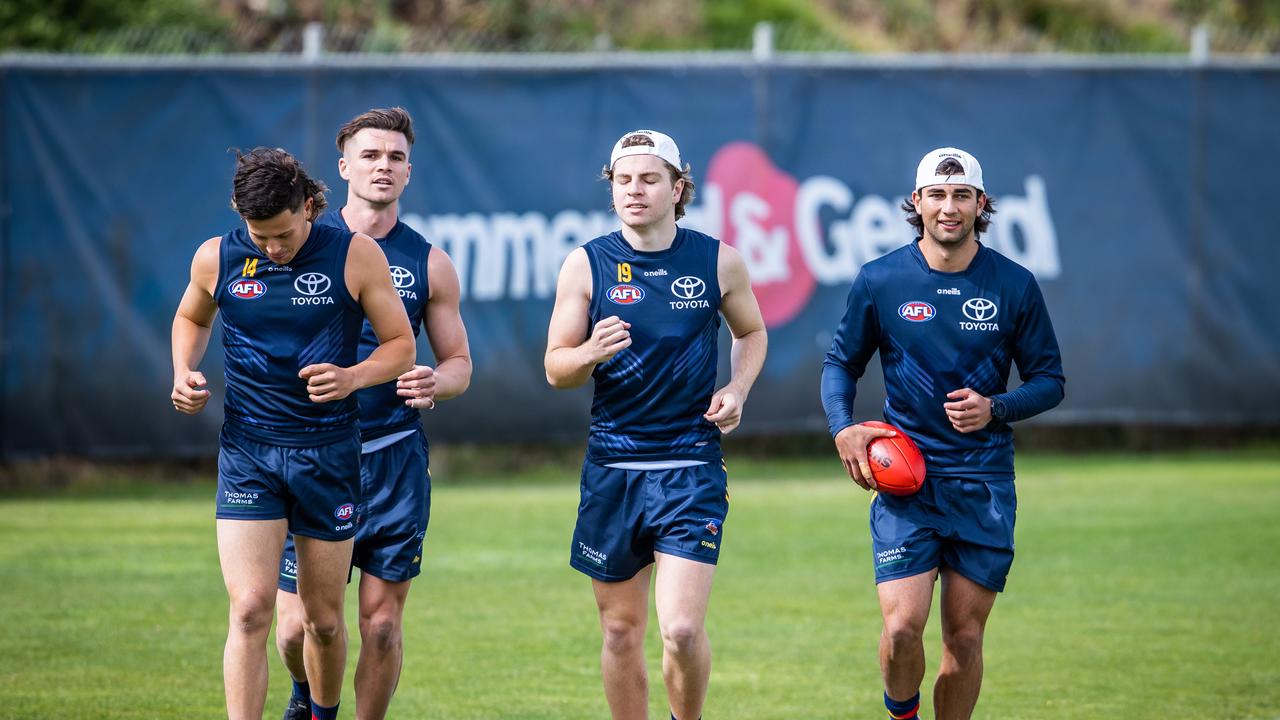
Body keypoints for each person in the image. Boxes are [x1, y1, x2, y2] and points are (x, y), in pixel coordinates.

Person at [820, 147, 1065, 720]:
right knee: (903, 629)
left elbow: (1050, 380)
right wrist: (844, 428)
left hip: (983, 484)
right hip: (908, 482)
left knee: (965, 640)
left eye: (961, 196)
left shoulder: (1015, 284)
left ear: (981, 204)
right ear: (916, 202)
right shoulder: (880, 280)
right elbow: (840, 364)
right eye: (936, 194)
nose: (948, 207)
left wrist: (996, 407)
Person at [171, 147, 415, 720]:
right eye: (260, 236)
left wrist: (353, 376)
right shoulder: (216, 258)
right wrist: (184, 371)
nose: (273, 248)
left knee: (322, 622)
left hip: (328, 454)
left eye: (283, 234)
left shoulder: (355, 255)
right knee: (251, 610)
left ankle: (321, 714)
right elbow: (191, 317)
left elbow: (401, 346)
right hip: (248, 453)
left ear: (309, 205)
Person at [545, 129, 768, 720]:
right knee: (621, 633)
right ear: (612, 189)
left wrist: (737, 388)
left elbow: (752, 332)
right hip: (612, 472)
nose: (635, 191)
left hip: (690, 468)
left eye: (650, 179)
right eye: (624, 181)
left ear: (678, 188)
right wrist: (589, 352)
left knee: (682, 630)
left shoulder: (717, 260)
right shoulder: (586, 264)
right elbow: (555, 368)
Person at [273, 108, 473, 720]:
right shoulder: (302, 245)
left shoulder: (430, 262)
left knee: (382, 626)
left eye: (394, 158)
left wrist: (435, 381)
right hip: (312, 458)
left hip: (394, 462)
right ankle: (309, 690)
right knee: (294, 631)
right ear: (343, 168)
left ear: (408, 172)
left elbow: (461, 361)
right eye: (369, 156)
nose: (382, 166)